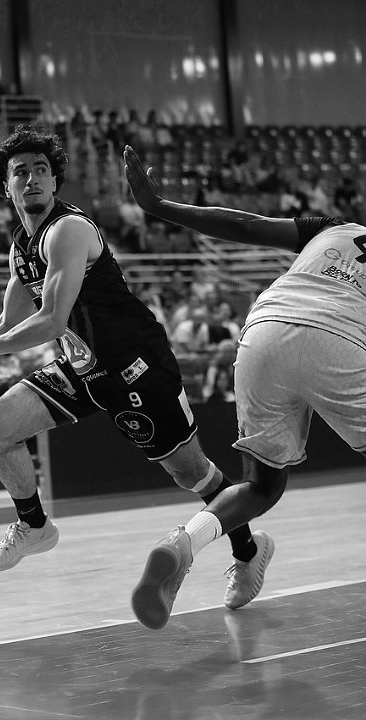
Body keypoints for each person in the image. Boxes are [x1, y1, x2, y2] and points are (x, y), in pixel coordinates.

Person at [0, 125, 261, 614]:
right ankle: (34, 525)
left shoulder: (68, 229)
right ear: (6, 186)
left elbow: (50, 320)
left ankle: (249, 553)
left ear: (55, 180)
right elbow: (9, 319)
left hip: (135, 365)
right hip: (82, 366)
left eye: (41, 169)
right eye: (20, 172)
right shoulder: (21, 244)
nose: (32, 178)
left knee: (190, 472)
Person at [123, 143, 366, 629]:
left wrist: (160, 206)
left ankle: (184, 543)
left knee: (261, 484)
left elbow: (245, 226)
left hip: (265, 328)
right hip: (339, 335)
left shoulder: (336, 228)